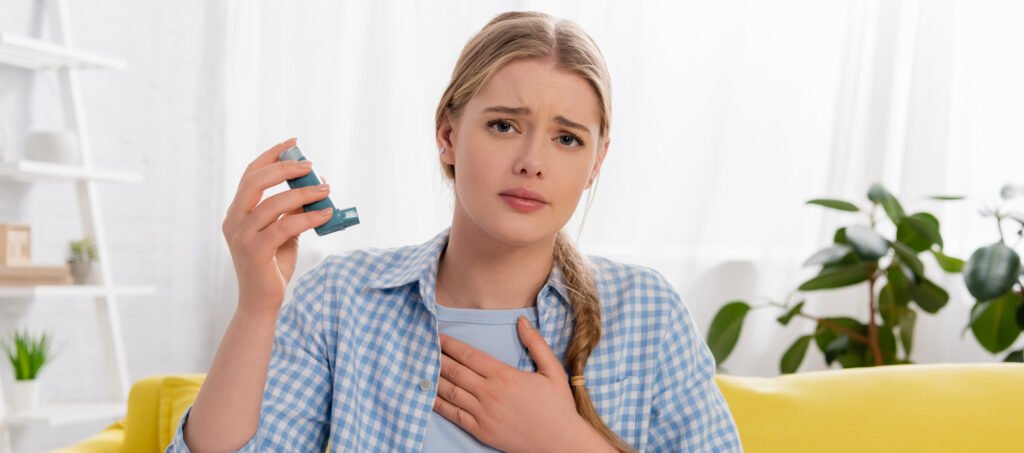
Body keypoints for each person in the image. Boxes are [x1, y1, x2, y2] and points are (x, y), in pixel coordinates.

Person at [167, 10, 741, 453]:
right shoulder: (340, 301)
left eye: (567, 138)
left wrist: (565, 440)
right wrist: (256, 309)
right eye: (502, 125)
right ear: (447, 134)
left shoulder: (647, 311)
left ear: (597, 162)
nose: (531, 161)